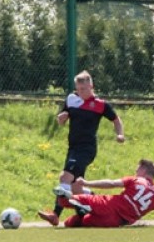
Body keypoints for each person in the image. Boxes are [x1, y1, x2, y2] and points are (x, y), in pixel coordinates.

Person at [37, 71, 124, 226]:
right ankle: (90, 206)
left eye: (84, 89)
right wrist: (61, 118)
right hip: (73, 148)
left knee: (64, 178)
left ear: (91, 86)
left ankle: (55, 214)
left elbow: (116, 120)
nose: (80, 92)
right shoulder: (71, 99)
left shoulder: (100, 105)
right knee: (76, 186)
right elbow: (62, 117)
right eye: (78, 89)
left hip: (87, 149)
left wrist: (120, 134)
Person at [55, 159, 154, 228]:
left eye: (137, 170)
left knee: (66, 201)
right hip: (115, 221)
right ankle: (82, 213)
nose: (136, 172)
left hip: (108, 204)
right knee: (71, 223)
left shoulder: (137, 180)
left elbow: (111, 183)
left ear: (144, 170)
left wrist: (86, 183)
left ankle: (73, 201)